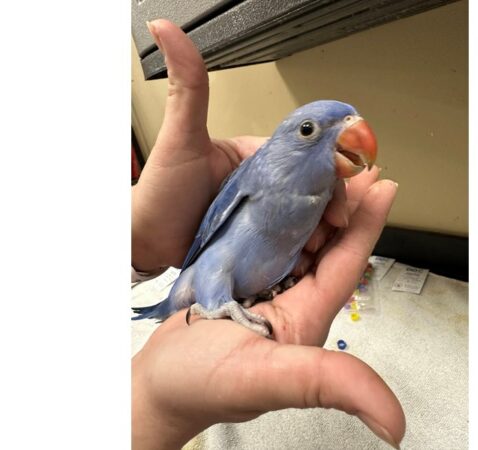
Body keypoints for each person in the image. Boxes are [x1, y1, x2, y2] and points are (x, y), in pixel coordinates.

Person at [131, 19, 405, 450]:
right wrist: (216, 303)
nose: (343, 136)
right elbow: (209, 250)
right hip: (203, 284)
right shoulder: (252, 180)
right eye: (309, 131)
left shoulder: (318, 200)